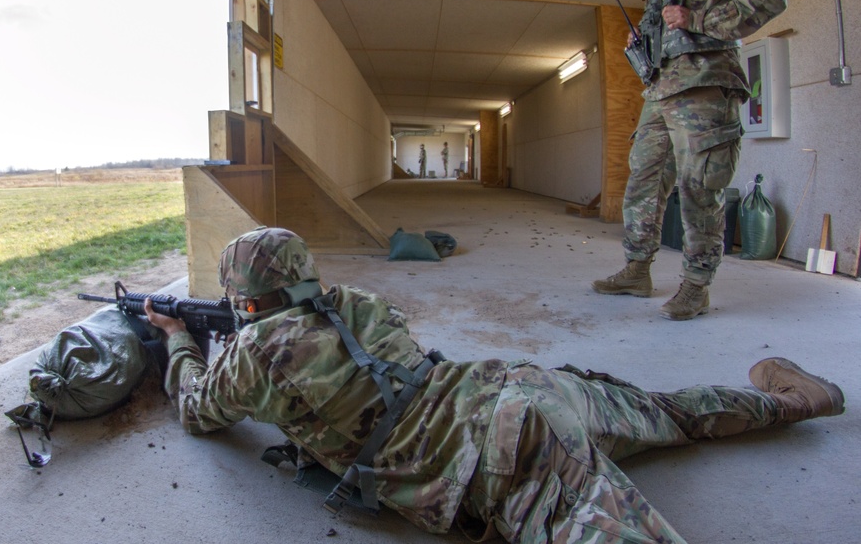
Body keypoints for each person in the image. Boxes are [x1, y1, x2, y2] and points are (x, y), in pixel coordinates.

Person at [145, 226, 844, 544]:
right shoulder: (350, 301)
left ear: (245, 295)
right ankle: (790, 399)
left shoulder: (255, 352)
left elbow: (199, 411)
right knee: (664, 411)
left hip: (503, 453)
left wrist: (180, 342)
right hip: (517, 385)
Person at [593, 0, 787, 320]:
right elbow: (658, 25)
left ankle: (696, 287)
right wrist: (639, 38)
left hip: (703, 88)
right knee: (643, 179)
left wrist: (697, 19)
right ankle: (636, 269)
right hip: (661, 92)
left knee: (699, 186)